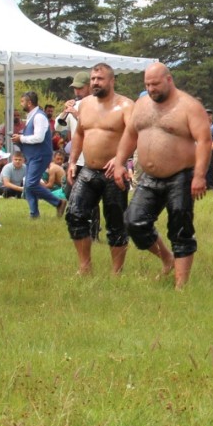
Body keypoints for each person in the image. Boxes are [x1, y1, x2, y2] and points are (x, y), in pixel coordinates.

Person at [113, 63, 210, 288]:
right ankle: (167, 259)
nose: (150, 89)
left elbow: (205, 141)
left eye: (155, 84)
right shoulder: (141, 104)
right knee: (134, 221)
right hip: (149, 176)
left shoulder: (189, 106)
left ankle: (180, 287)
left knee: (180, 228)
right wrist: (119, 163)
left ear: (169, 79)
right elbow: (130, 134)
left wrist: (199, 175)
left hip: (181, 175)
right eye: (147, 84)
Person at [66, 63, 134, 275]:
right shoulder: (85, 104)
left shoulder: (125, 105)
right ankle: (85, 266)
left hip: (114, 173)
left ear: (112, 81)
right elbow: (79, 133)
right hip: (88, 169)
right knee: (74, 215)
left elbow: (134, 135)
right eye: (93, 79)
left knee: (115, 223)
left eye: (100, 79)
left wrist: (119, 160)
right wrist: (72, 161)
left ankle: (117, 272)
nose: (95, 82)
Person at [10, 91, 66, 219]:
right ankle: (34, 214)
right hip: (33, 155)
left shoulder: (39, 117)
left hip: (40, 155)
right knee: (28, 185)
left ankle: (58, 203)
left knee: (31, 184)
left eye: (23, 101)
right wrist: (19, 139)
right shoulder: (32, 116)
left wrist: (21, 138)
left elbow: (39, 138)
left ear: (29, 103)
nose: (21, 104)